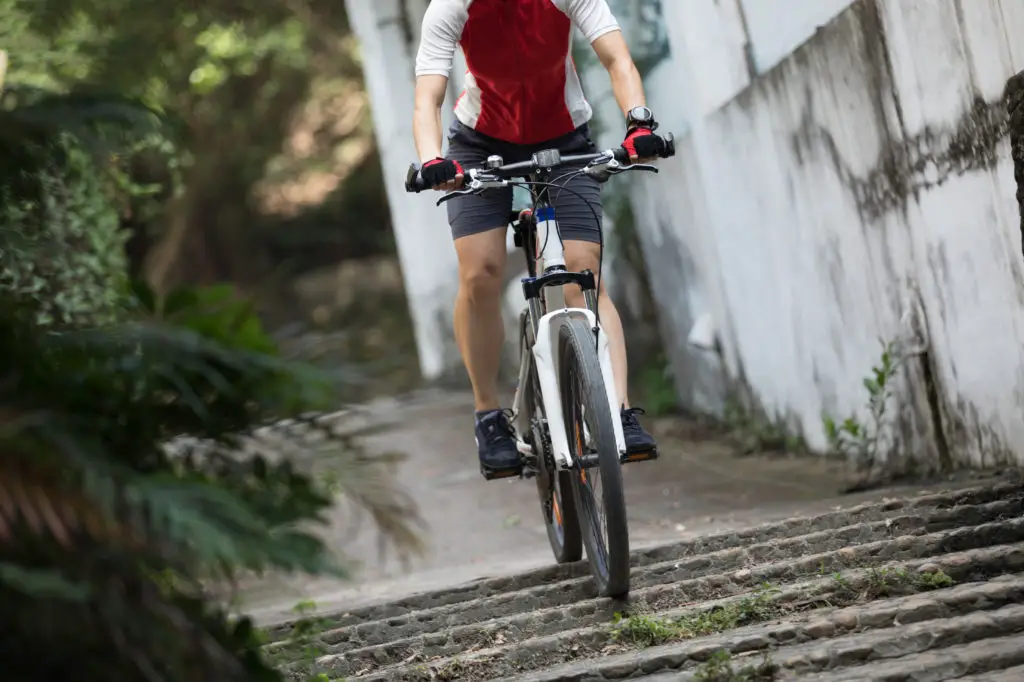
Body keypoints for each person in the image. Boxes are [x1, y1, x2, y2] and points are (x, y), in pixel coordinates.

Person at [412, 0, 672, 479]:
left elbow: (618, 59)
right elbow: (427, 97)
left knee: (584, 274)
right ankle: (489, 415)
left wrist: (639, 122)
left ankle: (618, 413)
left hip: (565, 137)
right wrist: (432, 161)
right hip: (478, 144)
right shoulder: (451, 5)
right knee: (481, 272)